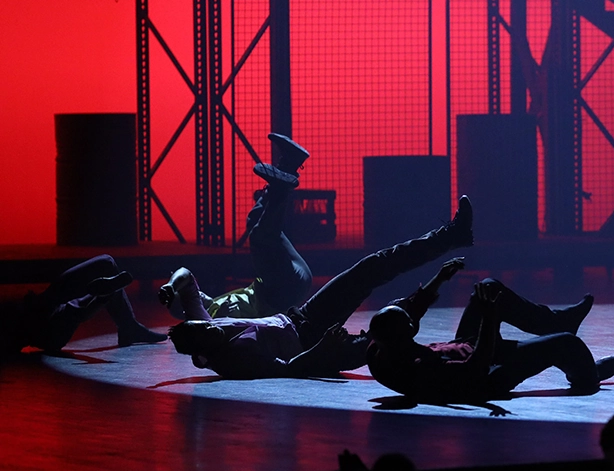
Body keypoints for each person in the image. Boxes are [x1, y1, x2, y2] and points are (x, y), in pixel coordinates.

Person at [168, 197, 473, 379]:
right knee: (390, 335)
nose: (212, 328)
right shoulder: (232, 361)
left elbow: (187, 279)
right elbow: (289, 368)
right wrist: (324, 347)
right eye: (207, 334)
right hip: (320, 350)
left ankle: (451, 235)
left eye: (205, 325)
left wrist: (171, 285)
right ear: (203, 352)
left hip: (303, 317)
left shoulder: (207, 325)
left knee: (370, 267)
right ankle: (465, 357)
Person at [366, 271, 614, 402]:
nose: (413, 321)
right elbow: (475, 368)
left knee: (489, 287)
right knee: (567, 343)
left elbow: (408, 312)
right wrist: (489, 318)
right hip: (489, 373)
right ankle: (588, 375)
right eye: (410, 324)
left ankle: (558, 321)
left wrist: (439, 279)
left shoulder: (380, 348)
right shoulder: (421, 367)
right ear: (406, 333)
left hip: (464, 346)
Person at [159, 134, 313, 320]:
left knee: (254, 221)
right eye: (193, 296)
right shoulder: (212, 321)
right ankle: (281, 187)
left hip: (289, 277)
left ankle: (289, 163)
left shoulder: (214, 304)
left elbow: (185, 275)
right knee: (259, 236)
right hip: (283, 291)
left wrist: (171, 285)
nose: (198, 292)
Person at [1, 254, 165, 358]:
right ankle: (114, 309)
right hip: (41, 330)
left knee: (106, 264)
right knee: (74, 311)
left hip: (42, 307)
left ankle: (120, 317)